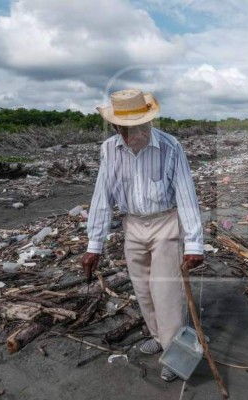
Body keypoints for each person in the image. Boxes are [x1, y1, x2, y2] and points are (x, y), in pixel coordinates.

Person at [81, 89, 204, 382]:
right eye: (121, 129)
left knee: (166, 291)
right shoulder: (109, 149)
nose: (127, 135)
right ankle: (159, 337)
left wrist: (194, 242)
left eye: (132, 128)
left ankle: (174, 353)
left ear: (147, 123)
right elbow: (102, 195)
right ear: (115, 127)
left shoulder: (171, 146)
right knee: (143, 289)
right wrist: (94, 244)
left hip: (165, 223)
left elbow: (187, 196)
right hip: (132, 224)